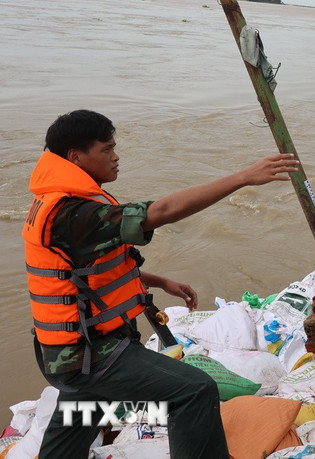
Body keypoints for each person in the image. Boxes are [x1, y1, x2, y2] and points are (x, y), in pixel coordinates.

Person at [23, 110, 299, 458]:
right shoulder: (73, 213)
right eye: (106, 149)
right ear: (75, 156)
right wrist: (243, 177)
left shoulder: (55, 204)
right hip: (91, 352)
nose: (116, 156)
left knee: (83, 412)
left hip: (72, 351)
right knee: (194, 391)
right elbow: (162, 211)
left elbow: (79, 274)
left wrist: (159, 281)